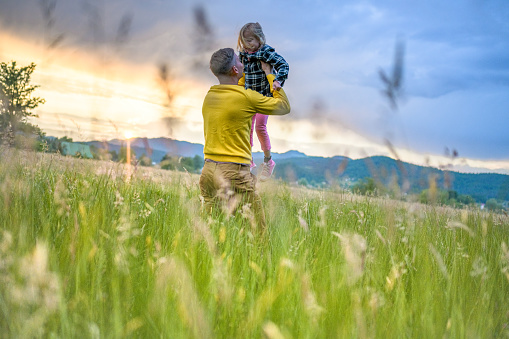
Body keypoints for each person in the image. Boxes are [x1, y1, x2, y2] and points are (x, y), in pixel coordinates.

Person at [200, 47, 291, 233]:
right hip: (234, 174)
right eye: (239, 61)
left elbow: (236, 85)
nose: (243, 64)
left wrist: (241, 72)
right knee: (257, 234)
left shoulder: (210, 96)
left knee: (211, 233)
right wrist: (270, 75)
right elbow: (283, 107)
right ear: (234, 70)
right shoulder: (247, 98)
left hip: (208, 172)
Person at [237, 22, 289, 181]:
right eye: (244, 41)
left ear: (260, 38)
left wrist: (278, 81)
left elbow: (284, 65)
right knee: (247, 127)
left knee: (260, 126)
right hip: (248, 97)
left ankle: (268, 161)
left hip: (264, 97)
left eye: (251, 40)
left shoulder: (266, 52)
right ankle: (248, 161)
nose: (247, 45)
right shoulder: (243, 54)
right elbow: (241, 73)